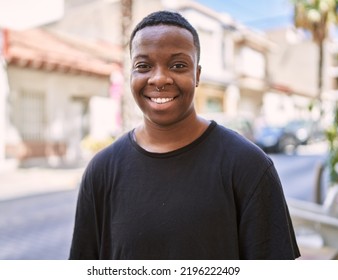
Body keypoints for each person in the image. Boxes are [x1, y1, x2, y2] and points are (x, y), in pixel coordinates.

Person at [69, 10, 300, 260]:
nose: (159, 78)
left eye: (178, 65)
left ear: (197, 75)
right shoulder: (101, 171)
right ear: (131, 76)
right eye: (143, 66)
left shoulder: (248, 166)